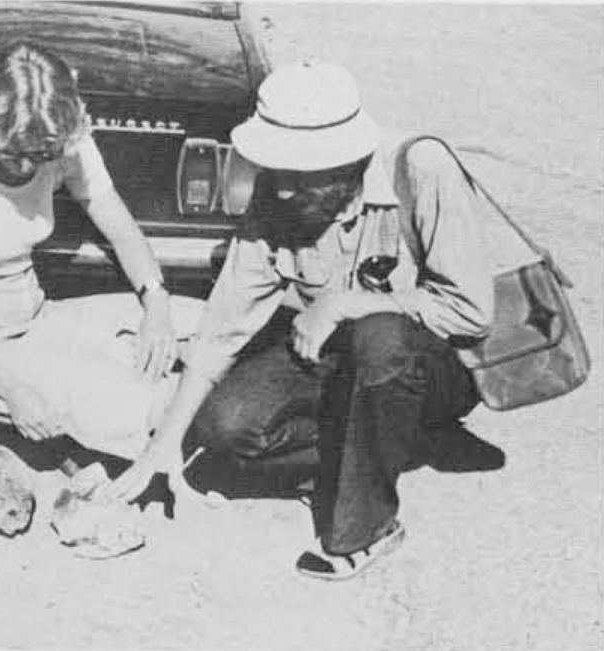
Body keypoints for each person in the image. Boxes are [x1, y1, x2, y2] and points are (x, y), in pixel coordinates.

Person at [110, 61, 502, 580]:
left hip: (431, 366)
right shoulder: (276, 192)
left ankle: (366, 525)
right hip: (335, 357)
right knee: (223, 432)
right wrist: (162, 448)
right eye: (279, 172)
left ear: (348, 161)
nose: (286, 191)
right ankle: (381, 445)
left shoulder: (421, 167)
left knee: (380, 337)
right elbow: (223, 328)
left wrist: (346, 302)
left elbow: (472, 311)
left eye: (302, 175)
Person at [0, 42, 202, 461]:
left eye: (41, 155)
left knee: (207, 326)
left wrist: (156, 303)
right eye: (13, 153)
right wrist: (13, 391)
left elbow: (121, 230)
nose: (28, 168)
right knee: (147, 404)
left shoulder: (61, 142)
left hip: (41, 316)